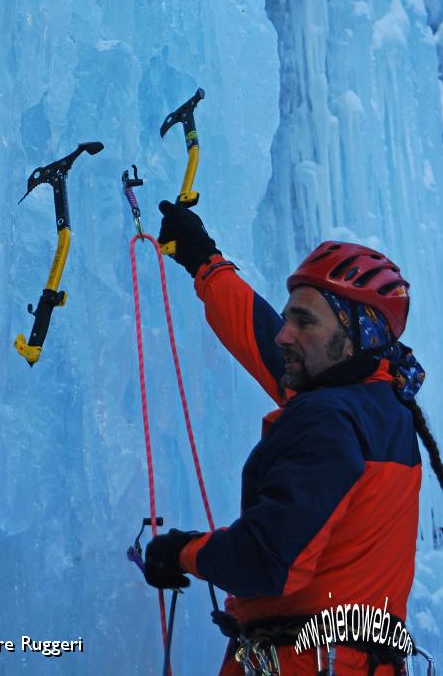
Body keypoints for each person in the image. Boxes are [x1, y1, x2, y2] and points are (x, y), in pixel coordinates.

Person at [144, 201, 443, 676]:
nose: (285, 335)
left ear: (359, 335)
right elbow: (263, 337)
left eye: (304, 321)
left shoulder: (328, 417)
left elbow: (267, 560)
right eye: (288, 320)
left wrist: (180, 550)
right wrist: (206, 262)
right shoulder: (382, 407)